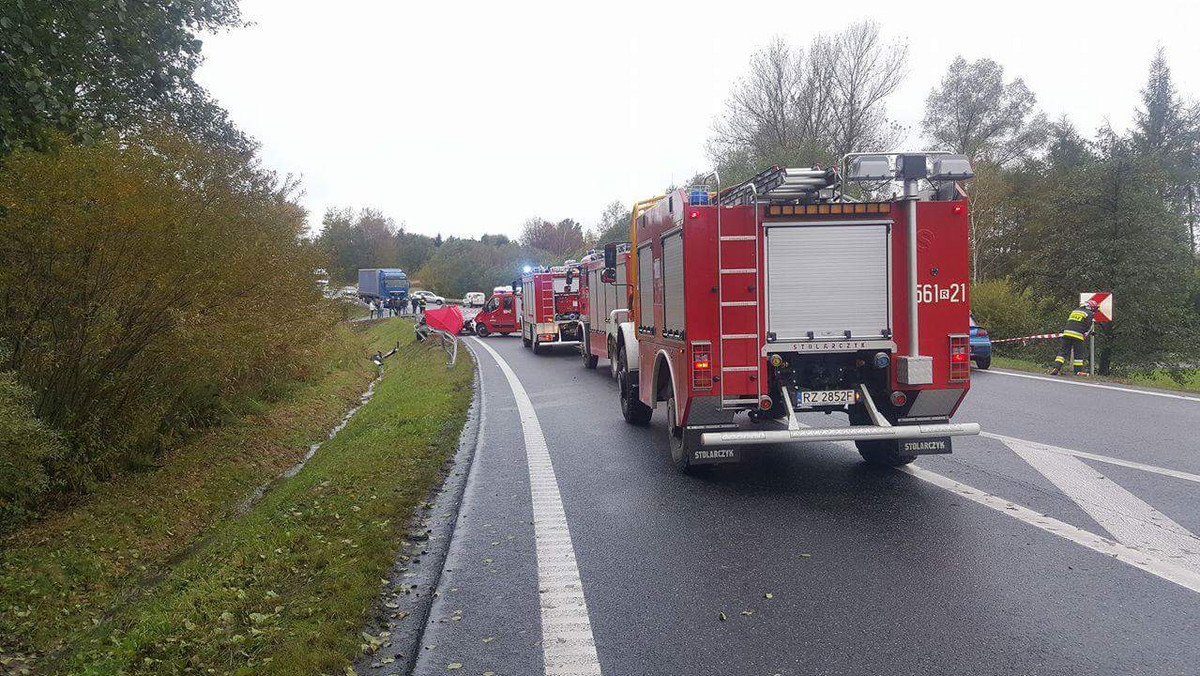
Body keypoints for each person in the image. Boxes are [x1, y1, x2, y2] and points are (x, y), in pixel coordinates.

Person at [1049, 298, 1099, 376]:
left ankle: (1056, 368)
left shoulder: (1075, 311)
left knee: (1063, 351)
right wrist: (1086, 333)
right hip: (1077, 335)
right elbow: (1088, 326)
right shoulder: (1089, 313)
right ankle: (1078, 371)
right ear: (1091, 307)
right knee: (1078, 353)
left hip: (1066, 333)